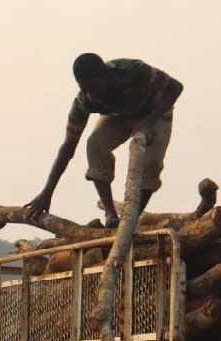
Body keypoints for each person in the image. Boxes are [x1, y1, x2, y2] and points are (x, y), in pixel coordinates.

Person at [25, 53, 184, 229]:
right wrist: (47, 193)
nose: (91, 94)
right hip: (119, 115)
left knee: (152, 160)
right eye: (85, 89)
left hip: (154, 111)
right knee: (95, 143)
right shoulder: (83, 102)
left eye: (94, 87)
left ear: (106, 76)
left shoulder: (133, 71)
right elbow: (67, 148)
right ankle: (111, 215)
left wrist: (149, 121)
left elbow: (176, 87)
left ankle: (130, 219)